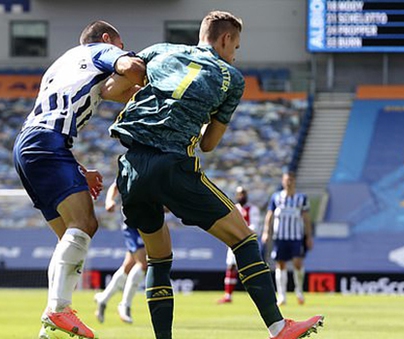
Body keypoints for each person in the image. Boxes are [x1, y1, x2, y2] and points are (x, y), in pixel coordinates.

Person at [108, 10, 323, 339]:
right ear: (225, 40)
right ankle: (278, 327)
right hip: (173, 164)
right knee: (244, 239)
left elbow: (116, 87)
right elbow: (208, 144)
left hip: (130, 167)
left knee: (158, 258)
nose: (235, 54)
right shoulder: (231, 77)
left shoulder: (160, 50)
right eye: (236, 46)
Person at [13, 20, 145, 339]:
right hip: (46, 143)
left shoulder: (65, 63)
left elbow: (116, 90)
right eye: (118, 43)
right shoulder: (99, 50)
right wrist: (147, 68)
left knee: (69, 239)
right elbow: (130, 68)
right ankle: (57, 310)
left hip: (28, 145)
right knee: (84, 224)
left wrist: (79, 169)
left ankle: (52, 326)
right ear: (105, 39)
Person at [94, 181, 147, 325]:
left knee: (128, 266)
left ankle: (103, 299)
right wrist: (110, 200)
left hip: (148, 221)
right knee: (143, 264)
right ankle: (125, 305)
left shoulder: (156, 165)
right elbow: (116, 185)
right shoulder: (131, 162)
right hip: (132, 224)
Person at [261, 171, 314, 306]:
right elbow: (270, 215)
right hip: (280, 236)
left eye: (291, 180)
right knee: (280, 264)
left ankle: (299, 291)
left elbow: (306, 218)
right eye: (286, 180)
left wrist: (308, 236)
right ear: (283, 182)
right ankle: (282, 295)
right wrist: (266, 232)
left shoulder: (301, 198)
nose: (289, 182)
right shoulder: (276, 197)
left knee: (297, 263)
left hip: (296, 236)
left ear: (294, 181)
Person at [217, 185, 262, 304]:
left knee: (251, 269)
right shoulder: (233, 208)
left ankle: (259, 295)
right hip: (233, 242)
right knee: (230, 267)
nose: (241, 196)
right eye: (239, 194)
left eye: (243, 193)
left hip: (246, 242)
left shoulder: (253, 209)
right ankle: (228, 295)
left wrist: (241, 232)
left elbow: (255, 227)